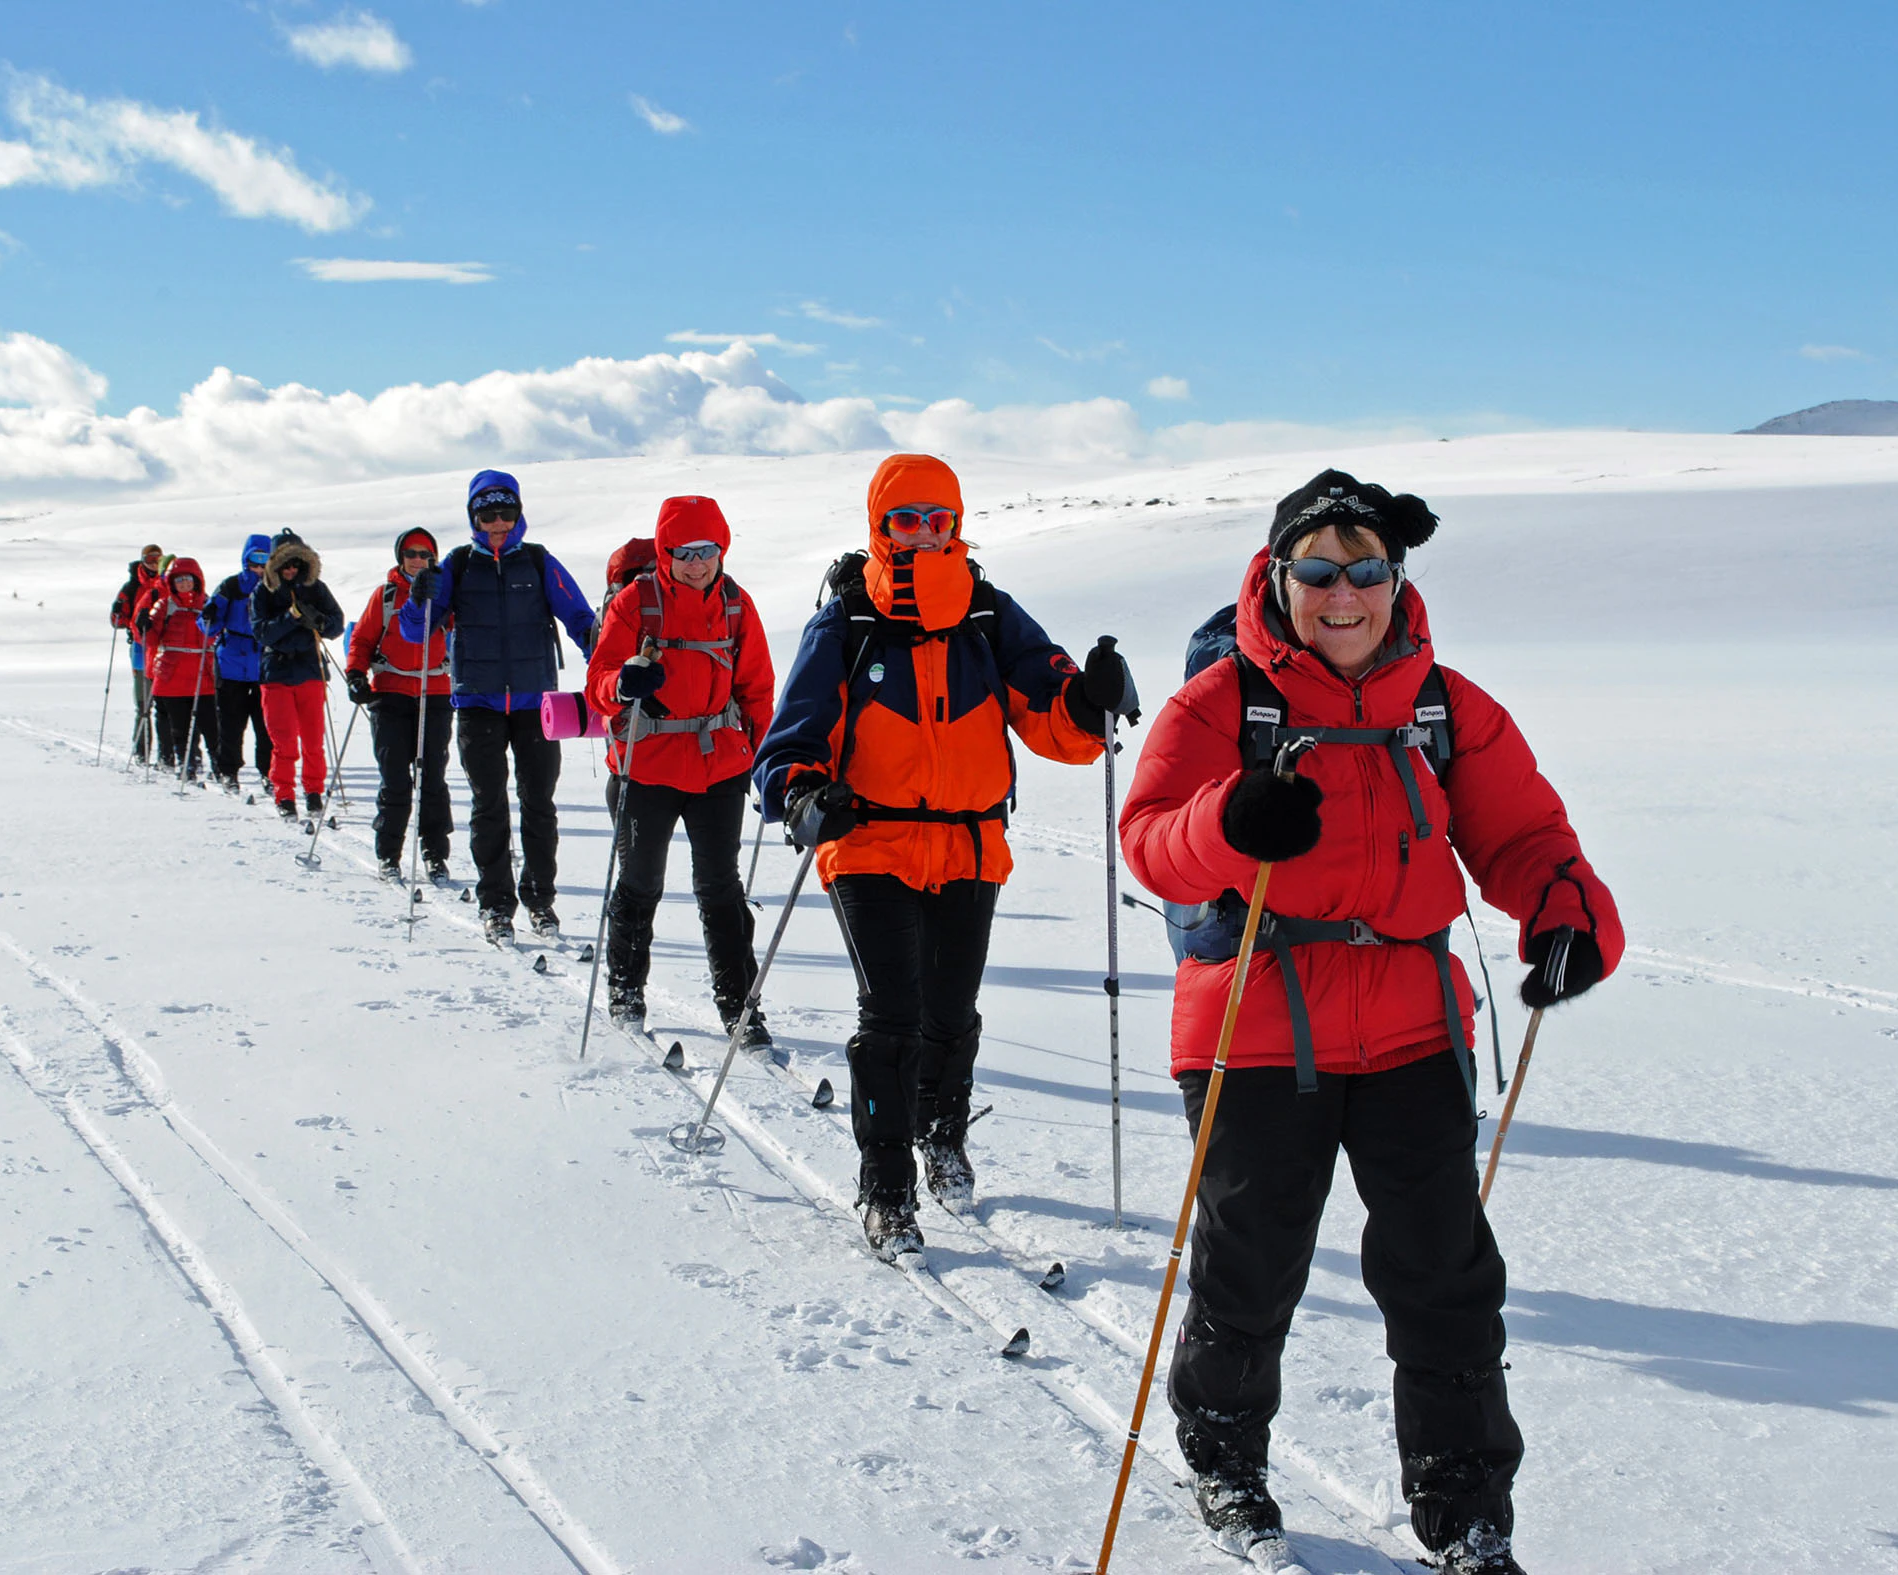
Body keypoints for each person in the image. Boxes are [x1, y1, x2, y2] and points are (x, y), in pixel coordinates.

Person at [1117, 470, 1625, 1575]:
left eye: (1366, 571)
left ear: (1396, 580)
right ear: (1278, 578)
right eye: (1317, 572)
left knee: (1445, 1277)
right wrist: (1230, 819)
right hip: (1254, 1026)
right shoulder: (1221, 706)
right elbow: (1152, 837)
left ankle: (1467, 1513)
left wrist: (1568, 915)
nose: (1342, 594)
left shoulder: (1446, 707)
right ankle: (1223, 1460)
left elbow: (1526, 834)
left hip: (1411, 1027)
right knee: (1251, 1268)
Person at [752, 453, 1132, 1259]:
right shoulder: (848, 623)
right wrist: (802, 794)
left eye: (938, 520)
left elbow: (1051, 715)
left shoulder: (990, 616)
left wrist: (1089, 697)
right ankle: (886, 1188)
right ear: (879, 528)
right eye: (906, 521)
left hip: (969, 844)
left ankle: (942, 1134)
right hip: (868, 843)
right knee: (890, 1017)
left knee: (950, 1015)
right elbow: (790, 741)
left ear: (957, 524)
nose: (924, 534)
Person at [584, 496, 774, 1041]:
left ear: (722, 549)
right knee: (641, 884)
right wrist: (623, 683)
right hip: (646, 768)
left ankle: (740, 1005)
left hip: (719, 768)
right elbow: (600, 684)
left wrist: (763, 763)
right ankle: (625, 990)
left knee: (720, 888)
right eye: (684, 552)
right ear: (666, 552)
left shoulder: (737, 606)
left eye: (707, 550)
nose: (697, 562)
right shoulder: (633, 604)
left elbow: (757, 688)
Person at [402, 470, 595, 945]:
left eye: (506, 512)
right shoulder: (457, 566)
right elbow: (415, 632)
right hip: (477, 703)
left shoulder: (539, 562)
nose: (498, 523)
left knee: (539, 806)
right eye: (487, 514)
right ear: (473, 517)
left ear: (519, 512)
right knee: (489, 807)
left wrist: (609, 663)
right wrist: (417, 600)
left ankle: (540, 900)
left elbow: (580, 619)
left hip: (537, 705)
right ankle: (495, 904)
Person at [345, 528, 454, 882]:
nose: (418, 560)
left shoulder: (446, 594)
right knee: (394, 778)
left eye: (425, 554)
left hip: (435, 692)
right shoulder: (387, 595)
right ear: (400, 557)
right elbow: (362, 639)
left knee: (432, 776)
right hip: (390, 692)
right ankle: (389, 853)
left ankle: (435, 853)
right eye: (411, 553)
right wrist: (356, 675)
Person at [250, 532, 344, 820]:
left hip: (309, 670)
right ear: (275, 566)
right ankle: (285, 795)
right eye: (285, 566)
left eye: (295, 565)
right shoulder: (262, 593)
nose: (290, 571)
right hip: (276, 673)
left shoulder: (316, 588)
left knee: (314, 740)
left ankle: (314, 792)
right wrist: (290, 617)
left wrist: (317, 619)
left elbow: (336, 625)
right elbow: (262, 632)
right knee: (284, 741)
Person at [202, 534, 275, 795]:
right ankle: (228, 772)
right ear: (246, 560)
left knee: (266, 725)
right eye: (255, 560)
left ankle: (269, 772)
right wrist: (209, 615)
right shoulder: (231, 586)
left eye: (265, 560)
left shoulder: (276, 587)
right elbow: (208, 625)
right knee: (231, 723)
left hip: (264, 664)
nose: (260, 566)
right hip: (231, 662)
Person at [136, 556, 220, 781]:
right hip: (173, 675)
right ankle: (186, 764)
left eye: (188, 579)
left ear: (197, 580)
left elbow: (219, 634)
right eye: (179, 579)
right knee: (179, 726)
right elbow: (150, 640)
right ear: (171, 581)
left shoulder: (207, 604)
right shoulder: (164, 605)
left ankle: (220, 766)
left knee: (211, 725)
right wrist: (143, 626)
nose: (184, 583)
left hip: (202, 673)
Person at [111, 544, 163, 759]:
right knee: (143, 702)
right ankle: (141, 750)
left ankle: (165, 753)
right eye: (150, 559)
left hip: (163, 648)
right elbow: (118, 620)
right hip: (141, 648)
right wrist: (118, 613)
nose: (154, 563)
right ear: (142, 560)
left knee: (165, 704)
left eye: (157, 559)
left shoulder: (170, 582)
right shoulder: (132, 586)